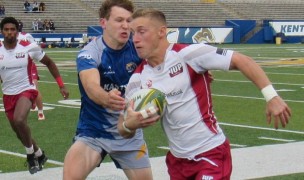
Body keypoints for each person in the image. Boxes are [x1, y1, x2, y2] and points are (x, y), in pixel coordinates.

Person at [118, 8, 292, 180]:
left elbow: (242, 60)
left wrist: (272, 97)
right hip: (178, 162)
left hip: (210, 153)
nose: (136, 39)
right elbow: (122, 127)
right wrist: (129, 125)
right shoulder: (137, 79)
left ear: (161, 32)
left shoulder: (188, 55)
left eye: (141, 32)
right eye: (133, 33)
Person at [63, 0, 152, 180]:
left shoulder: (138, 49)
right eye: (119, 20)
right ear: (103, 23)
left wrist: (197, 72)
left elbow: (167, 58)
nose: (126, 26)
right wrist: (105, 98)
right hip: (93, 132)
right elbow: (90, 85)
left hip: (129, 132)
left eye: (129, 21)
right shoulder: (90, 52)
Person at [0, 17, 69, 174]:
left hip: (27, 90)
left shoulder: (28, 47)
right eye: (6, 29)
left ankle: (31, 157)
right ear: (2, 31)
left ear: (17, 32)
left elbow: (50, 63)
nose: (9, 32)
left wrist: (61, 85)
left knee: (19, 120)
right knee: (20, 132)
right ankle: (39, 154)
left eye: (12, 29)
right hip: (8, 94)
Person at [17, 32, 46, 120]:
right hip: (18, 66)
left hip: (29, 65)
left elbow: (35, 46)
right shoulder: (9, 37)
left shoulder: (26, 35)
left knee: (35, 88)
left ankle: (40, 112)